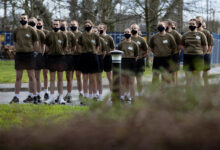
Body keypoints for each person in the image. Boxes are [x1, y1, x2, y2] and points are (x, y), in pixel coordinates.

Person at [10, 14, 39, 104]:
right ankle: (16, 97)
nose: (23, 20)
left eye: (24, 18)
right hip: (19, 55)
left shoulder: (31, 30)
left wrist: (35, 52)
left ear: (27, 19)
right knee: (18, 77)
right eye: (21, 18)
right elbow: (15, 42)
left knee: (31, 77)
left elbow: (36, 43)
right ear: (19, 19)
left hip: (29, 55)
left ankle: (34, 96)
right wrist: (15, 50)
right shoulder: (16, 30)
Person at [44, 19, 68, 104]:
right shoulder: (48, 35)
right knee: (52, 78)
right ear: (52, 25)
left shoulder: (63, 35)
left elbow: (65, 47)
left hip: (61, 57)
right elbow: (46, 46)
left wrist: (61, 52)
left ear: (59, 25)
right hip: (51, 57)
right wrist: (50, 52)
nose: (55, 26)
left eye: (57, 24)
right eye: (54, 24)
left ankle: (61, 97)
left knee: (60, 79)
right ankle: (51, 98)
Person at [78, 20, 100, 99]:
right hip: (84, 56)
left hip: (93, 56)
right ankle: (85, 96)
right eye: (86, 25)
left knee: (92, 78)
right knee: (85, 78)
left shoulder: (95, 35)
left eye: (89, 25)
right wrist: (83, 52)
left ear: (92, 25)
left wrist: (95, 52)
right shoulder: (82, 36)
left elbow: (98, 45)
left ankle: (94, 95)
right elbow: (80, 46)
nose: (87, 26)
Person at [182, 19, 208, 86]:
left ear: (196, 25)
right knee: (188, 79)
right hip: (188, 57)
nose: (191, 25)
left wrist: (202, 54)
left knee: (198, 79)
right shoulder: (185, 35)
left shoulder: (201, 34)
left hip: (198, 57)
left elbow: (205, 46)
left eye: (193, 24)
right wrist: (186, 51)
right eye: (190, 24)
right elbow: (182, 45)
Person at [28, 17, 46, 103]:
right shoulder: (26, 32)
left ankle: (38, 95)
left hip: (37, 56)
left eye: (33, 22)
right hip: (29, 55)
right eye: (30, 22)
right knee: (31, 77)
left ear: (36, 23)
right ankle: (32, 95)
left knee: (37, 77)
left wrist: (42, 53)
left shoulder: (40, 32)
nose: (31, 23)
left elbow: (43, 44)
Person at [118, 28, 139, 101]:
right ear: (124, 34)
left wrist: (133, 61)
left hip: (132, 62)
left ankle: (133, 97)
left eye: (128, 32)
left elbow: (136, 55)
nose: (127, 33)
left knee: (131, 81)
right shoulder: (121, 44)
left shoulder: (134, 44)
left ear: (131, 33)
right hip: (123, 61)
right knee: (123, 81)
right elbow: (119, 53)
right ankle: (122, 96)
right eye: (125, 32)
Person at [60, 20, 76, 103]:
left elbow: (74, 47)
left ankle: (69, 94)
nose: (62, 26)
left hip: (69, 56)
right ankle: (60, 95)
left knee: (69, 77)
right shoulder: (58, 34)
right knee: (60, 77)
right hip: (60, 56)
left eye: (64, 25)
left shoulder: (70, 34)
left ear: (67, 26)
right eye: (61, 25)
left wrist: (68, 52)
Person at [130, 24, 148, 95]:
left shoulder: (141, 39)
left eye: (135, 28)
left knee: (139, 80)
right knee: (131, 80)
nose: (134, 29)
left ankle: (140, 94)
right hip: (130, 62)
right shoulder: (128, 39)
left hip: (140, 61)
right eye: (133, 28)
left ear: (138, 30)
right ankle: (132, 96)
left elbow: (146, 51)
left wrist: (141, 57)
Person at [196, 16, 214, 86]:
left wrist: (207, 53)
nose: (198, 23)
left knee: (205, 76)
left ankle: (207, 90)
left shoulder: (206, 32)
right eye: (196, 21)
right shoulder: (193, 32)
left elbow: (210, 45)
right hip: (197, 55)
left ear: (202, 22)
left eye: (199, 21)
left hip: (205, 55)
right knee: (198, 75)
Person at [98, 23, 115, 91]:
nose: (100, 29)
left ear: (105, 29)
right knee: (99, 77)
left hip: (107, 57)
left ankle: (112, 92)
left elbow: (113, 48)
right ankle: (100, 94)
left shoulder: (109, 38)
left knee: (109, 76)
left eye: (101, 28)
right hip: (99, 57)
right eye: (99, 28)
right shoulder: (97, 37)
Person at [36, 18, 50, 100]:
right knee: (37, 75)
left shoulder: (47, 33)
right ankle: (38, 93)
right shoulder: (34, 32)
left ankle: (46, 91)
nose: (38, 25)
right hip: (37, 55)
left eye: (40, 23)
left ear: (43, 24)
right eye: (37, 23)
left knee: (45, 74)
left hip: (45, 55)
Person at [165, 19, 182, 84]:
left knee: (174, 73)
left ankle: (174, 86)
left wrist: (177, 51)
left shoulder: (175, 33)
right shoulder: (164, 32)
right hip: (165, 55)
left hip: (174, 55)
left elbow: (181, 43)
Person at [70, 20, 83, 98]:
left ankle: (81, 93)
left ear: (77, 25)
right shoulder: (68, 34)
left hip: (79, 56)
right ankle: (69, 93)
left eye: (74, 24)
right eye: (71, 25)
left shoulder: (81, 34)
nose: (73, 26)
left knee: (78, 75)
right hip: (70, 56)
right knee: (70, 76)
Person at [93, 26, 107, 100]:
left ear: (98, 32)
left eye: (96, 31)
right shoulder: (90, 40)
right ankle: (94, 94)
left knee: (99, 78)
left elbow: (104, 51)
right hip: (92, 58)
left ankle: (100, 95)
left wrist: (100, 58)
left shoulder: (101, 40)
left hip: (99, 58)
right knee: (93, 78)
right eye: (93, 31)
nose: (95, 32)